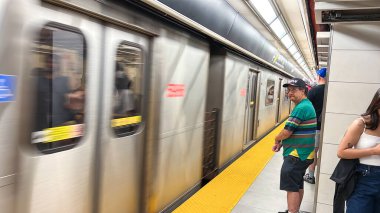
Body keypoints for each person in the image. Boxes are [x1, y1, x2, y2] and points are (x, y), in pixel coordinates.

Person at [272, 78, 317, 213]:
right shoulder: (306, 105)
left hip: (296, 155)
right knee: (297, 184)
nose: (289, 93)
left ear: (302, 90)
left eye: (293, 90)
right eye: (288, 90)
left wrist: (277, 139)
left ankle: (292, 211)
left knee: (291, 186)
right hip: (304, 153)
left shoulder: (302, 107)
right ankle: (294, 210)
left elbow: (286, 131)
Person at [337, 88, 380, 213]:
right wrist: (373, 151)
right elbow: (341, 152)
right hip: (364, 179)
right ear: (377, 104)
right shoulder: (361, 123)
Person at [304, 67, 327, 184]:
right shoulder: (330, 91)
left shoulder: (314, 91)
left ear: (319, 77)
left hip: (315, 127)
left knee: (313, 152)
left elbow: (306, 109)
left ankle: (311, 176)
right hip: (327, 127)